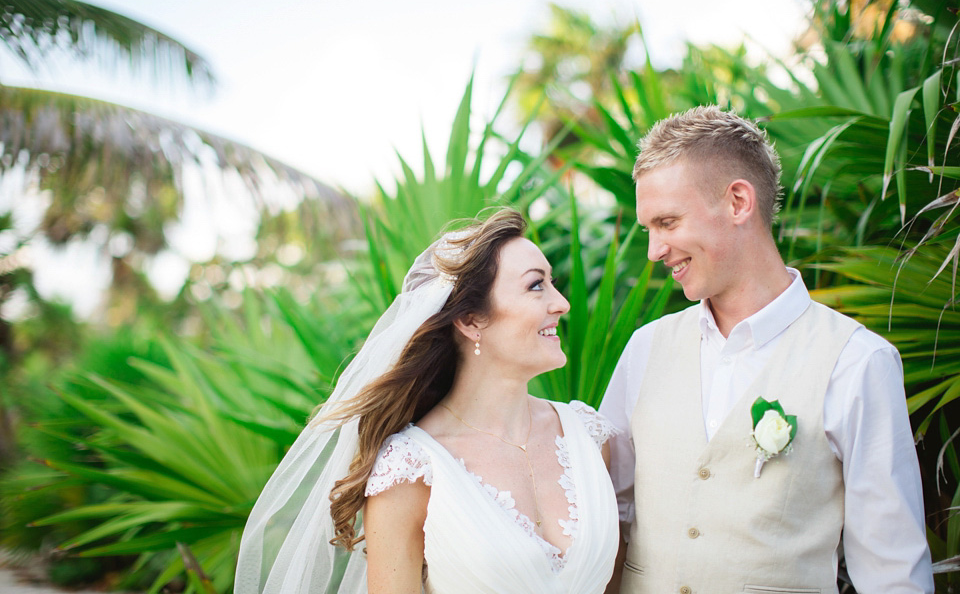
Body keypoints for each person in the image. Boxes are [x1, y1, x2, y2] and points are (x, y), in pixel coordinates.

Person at [599, 106, 934, 593]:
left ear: (738, 202)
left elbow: (892, 572)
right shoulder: (646, 349)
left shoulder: (857, 362)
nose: (654, 250)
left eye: (667, 222)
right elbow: (607, 514)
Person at [235, 208, 620, 594]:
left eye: (552, 283)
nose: (562, 303)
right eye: (536, 286)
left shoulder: (588, 436)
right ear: (470, 320)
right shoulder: (410, 467)